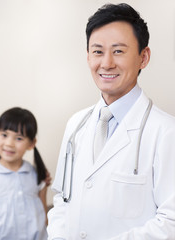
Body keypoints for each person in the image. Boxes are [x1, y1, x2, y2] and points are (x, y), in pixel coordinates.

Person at [47, 3, 175, 240]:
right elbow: (62, 202)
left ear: (143, 57)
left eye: (118, 51)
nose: (106, 63)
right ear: (87, 57)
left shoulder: (167, 132)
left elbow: (171, 223)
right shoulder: (76, 125)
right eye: (97, 51)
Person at [0, 107, 49, 240]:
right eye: (4, 135)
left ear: (32, 143)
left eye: (19, 138)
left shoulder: (38, 176)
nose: (9, 143)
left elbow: (44, 216)